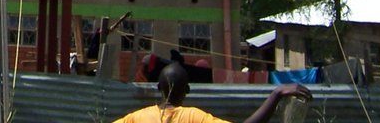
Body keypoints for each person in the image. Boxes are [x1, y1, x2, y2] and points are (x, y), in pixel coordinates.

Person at [110, 62, 312, 123]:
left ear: (157, 88)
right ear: (188, 90)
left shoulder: (136, 118)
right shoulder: (193, 117)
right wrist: (276, 94)